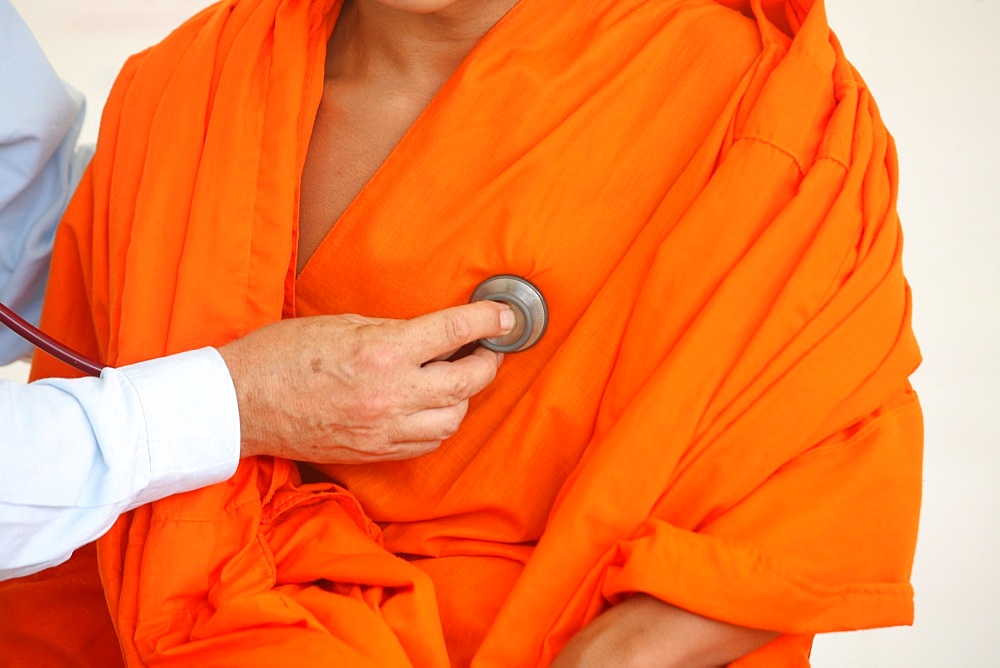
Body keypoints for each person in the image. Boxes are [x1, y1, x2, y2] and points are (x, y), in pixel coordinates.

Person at [0, 0, 924, 665]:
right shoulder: (183, 98)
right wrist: (233, 403)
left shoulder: (754, 93)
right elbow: (93, 573)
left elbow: (808, 479)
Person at [0, 0, 513, 583]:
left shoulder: (199, 99)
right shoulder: (193, 75)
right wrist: (237, 403)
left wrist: (188, 193)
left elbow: (28, 232)